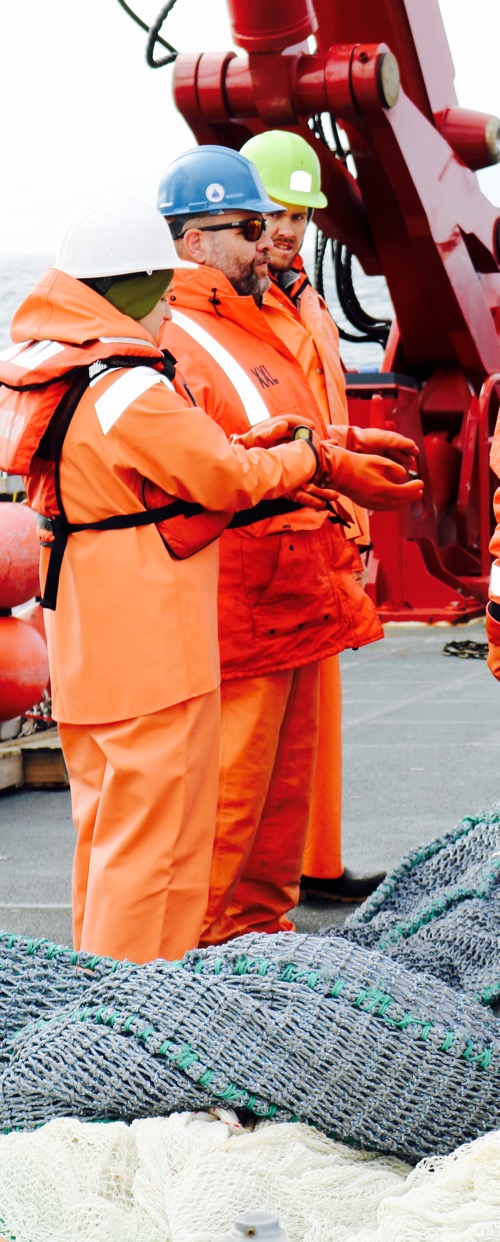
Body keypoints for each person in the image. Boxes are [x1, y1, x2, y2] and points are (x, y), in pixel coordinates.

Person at [0, 197, 333, 965]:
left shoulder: (67, 376)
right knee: (162, 853)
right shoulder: (129, 388)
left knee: (111, 840)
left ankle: (94, 996)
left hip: (89, 645)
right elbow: (221, 474)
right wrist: (308, 457)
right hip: (153, 652)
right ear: (141, 283)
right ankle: (138, 1031)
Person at [157, 145, 423, 946]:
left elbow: (289, 423)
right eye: (250, 224)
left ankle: (261, 950)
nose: (272, 237)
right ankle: (204, 973)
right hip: (243, 608)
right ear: (192, 241)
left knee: (279, 811)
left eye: (279, 219)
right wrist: (329, 461)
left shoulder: (262, 317)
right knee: (230, 806)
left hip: (301, 591)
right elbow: (213, 467)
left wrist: (342, 452)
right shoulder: (184, 337)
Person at [240, 128, 392, 903]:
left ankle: (317, 864)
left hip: (327, 521)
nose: (292, 230)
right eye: (277, 213)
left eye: (302, 215)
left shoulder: (302, 299)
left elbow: (327, 408)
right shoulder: (240, 308)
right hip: (280, 525)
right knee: (262, 726)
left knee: (318, 713)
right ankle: (261, 883)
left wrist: (357, 529)